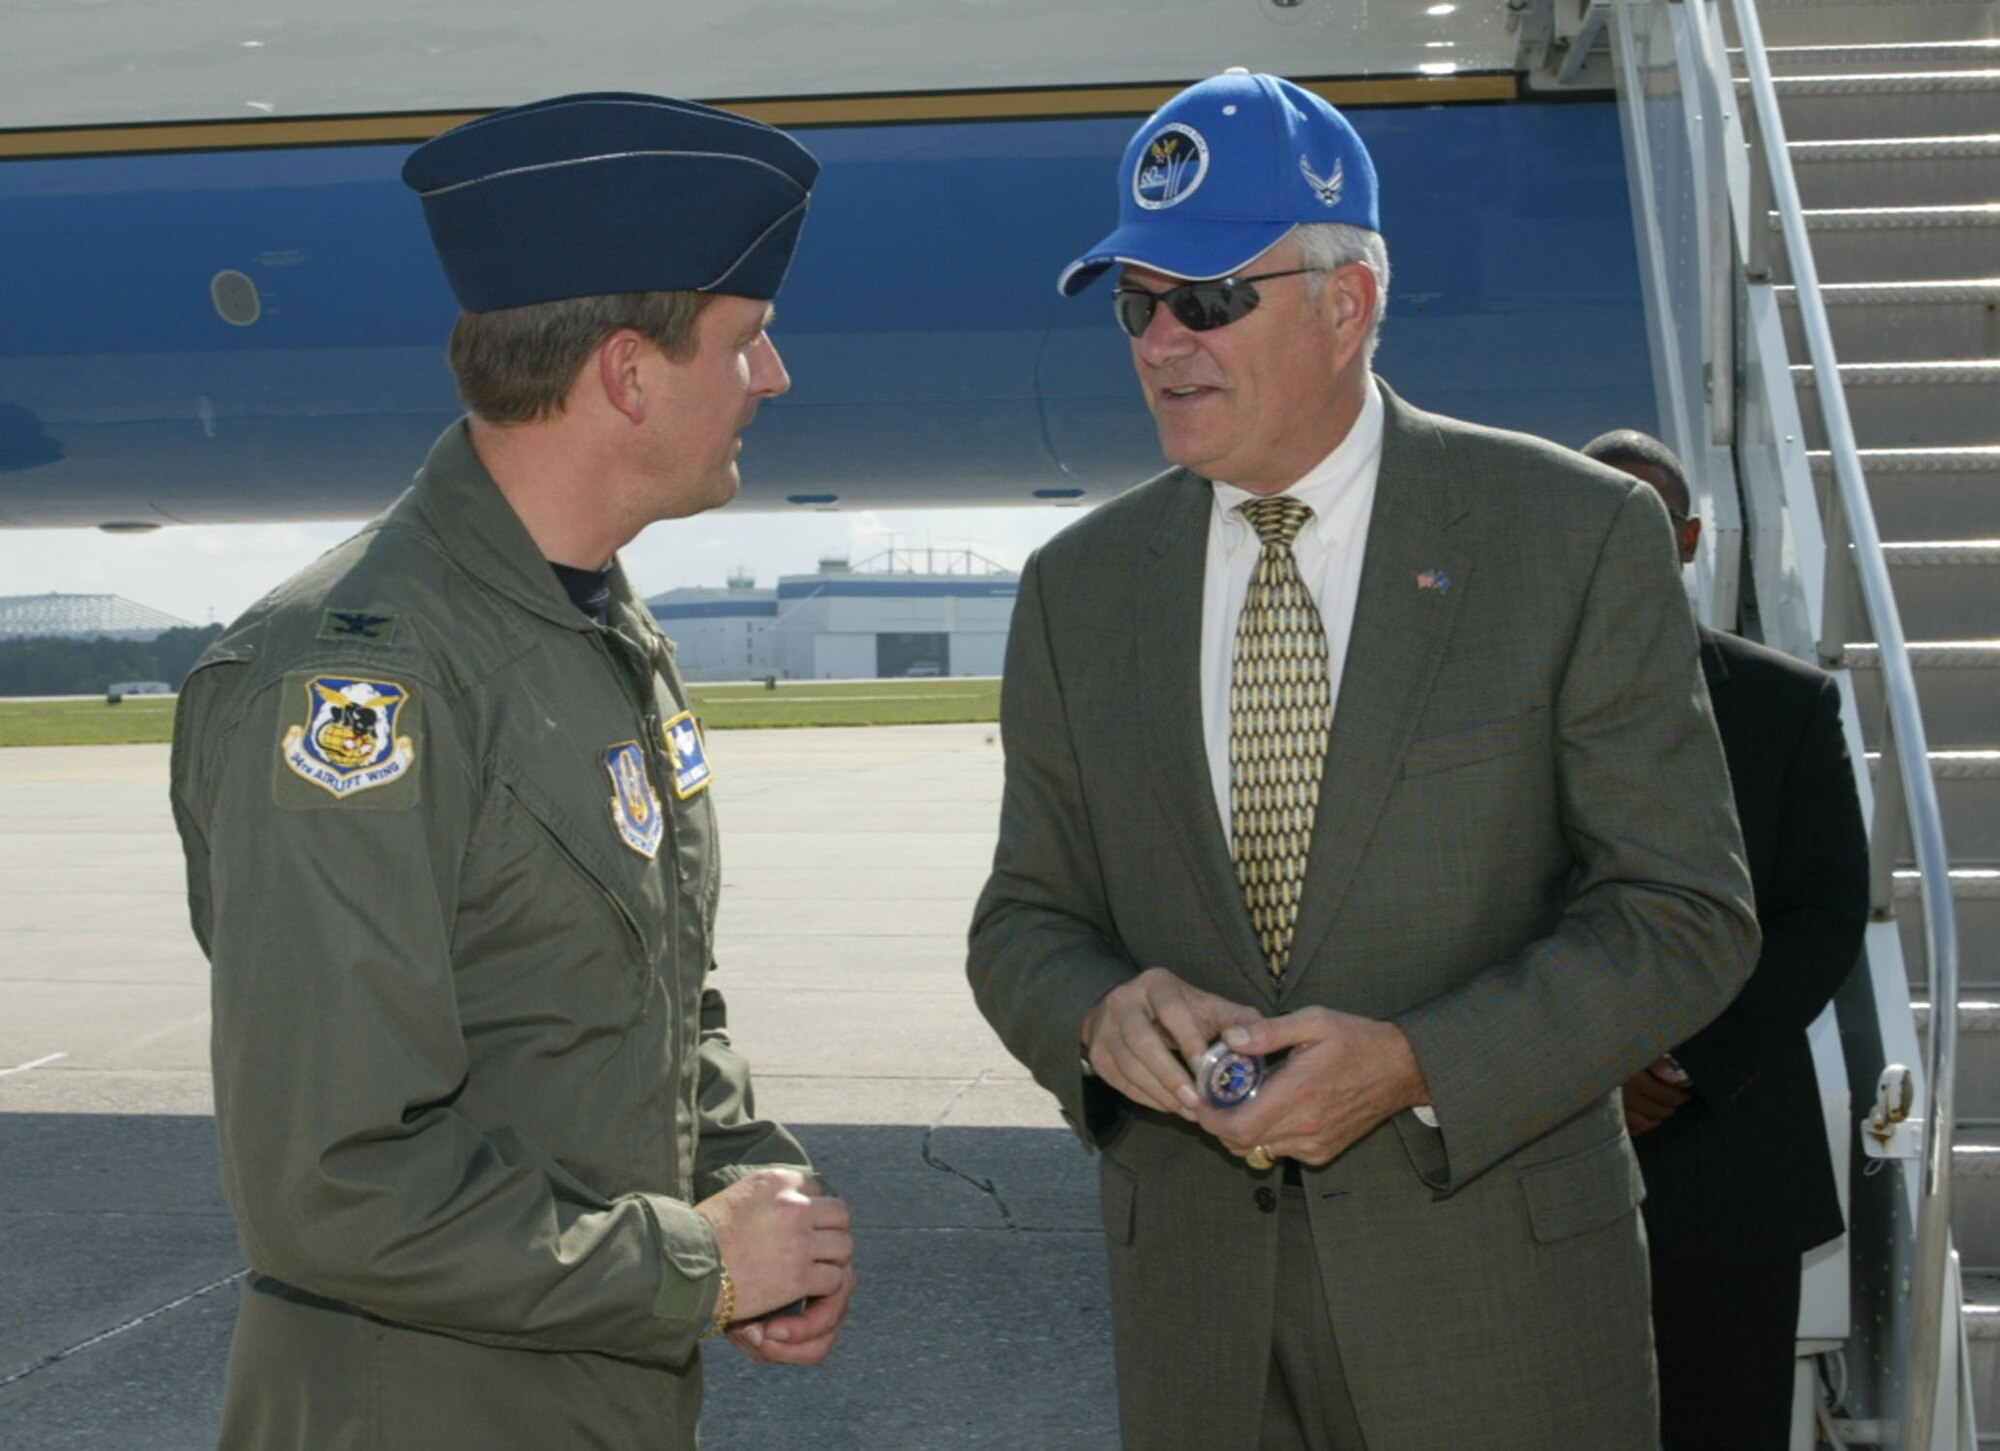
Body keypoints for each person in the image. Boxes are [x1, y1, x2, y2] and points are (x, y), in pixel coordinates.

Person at [966, 71, 1760, 1450]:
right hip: (1198, 1328)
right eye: (1134, 301)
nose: (1162, 341)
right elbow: (1025, 919)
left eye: (1208, 297)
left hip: (1497, 1320)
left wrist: (1416, 1060)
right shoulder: (1075, 591)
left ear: (1349, 303)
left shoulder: (1569, 538)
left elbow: (1687, 911)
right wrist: (1099, 1015)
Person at [169, 92, 857, 1449]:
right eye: (747, 338)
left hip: (598, 1389)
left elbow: (653, 996)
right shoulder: (356, 680)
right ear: (627, 374)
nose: (772, 377)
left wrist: (743, 1173)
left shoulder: (596, 629)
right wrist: (699, 1263)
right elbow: (334, 1179)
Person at [1583, 428, 1867, 1449]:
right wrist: (1578, 1069)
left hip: (1729, 1157)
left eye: (1642, 521)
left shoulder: (1787, 704)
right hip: (1535, 1164)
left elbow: (1823, 912)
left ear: (1690, 536)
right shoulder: (1488, 706)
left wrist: (1678, 1064)